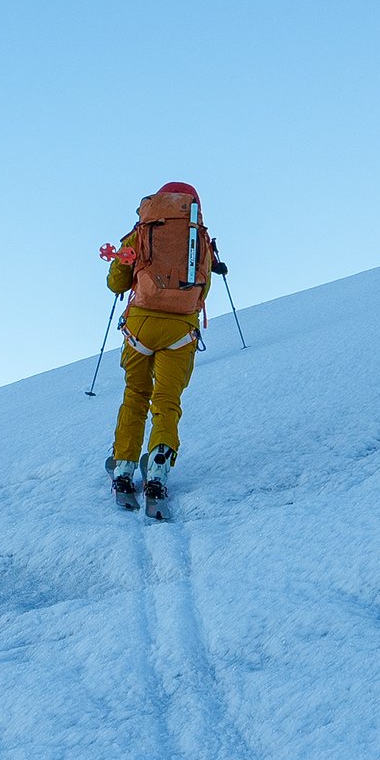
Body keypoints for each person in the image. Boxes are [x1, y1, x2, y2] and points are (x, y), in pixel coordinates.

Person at [100, 181, 227, 513]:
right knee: (166, 401)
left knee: (135, 395)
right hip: (180, 331)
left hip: (140, 328)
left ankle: (124, 468)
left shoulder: (142, 230)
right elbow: (203, 290)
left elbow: (116, 283)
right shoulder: (198, 238)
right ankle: (157, 470)